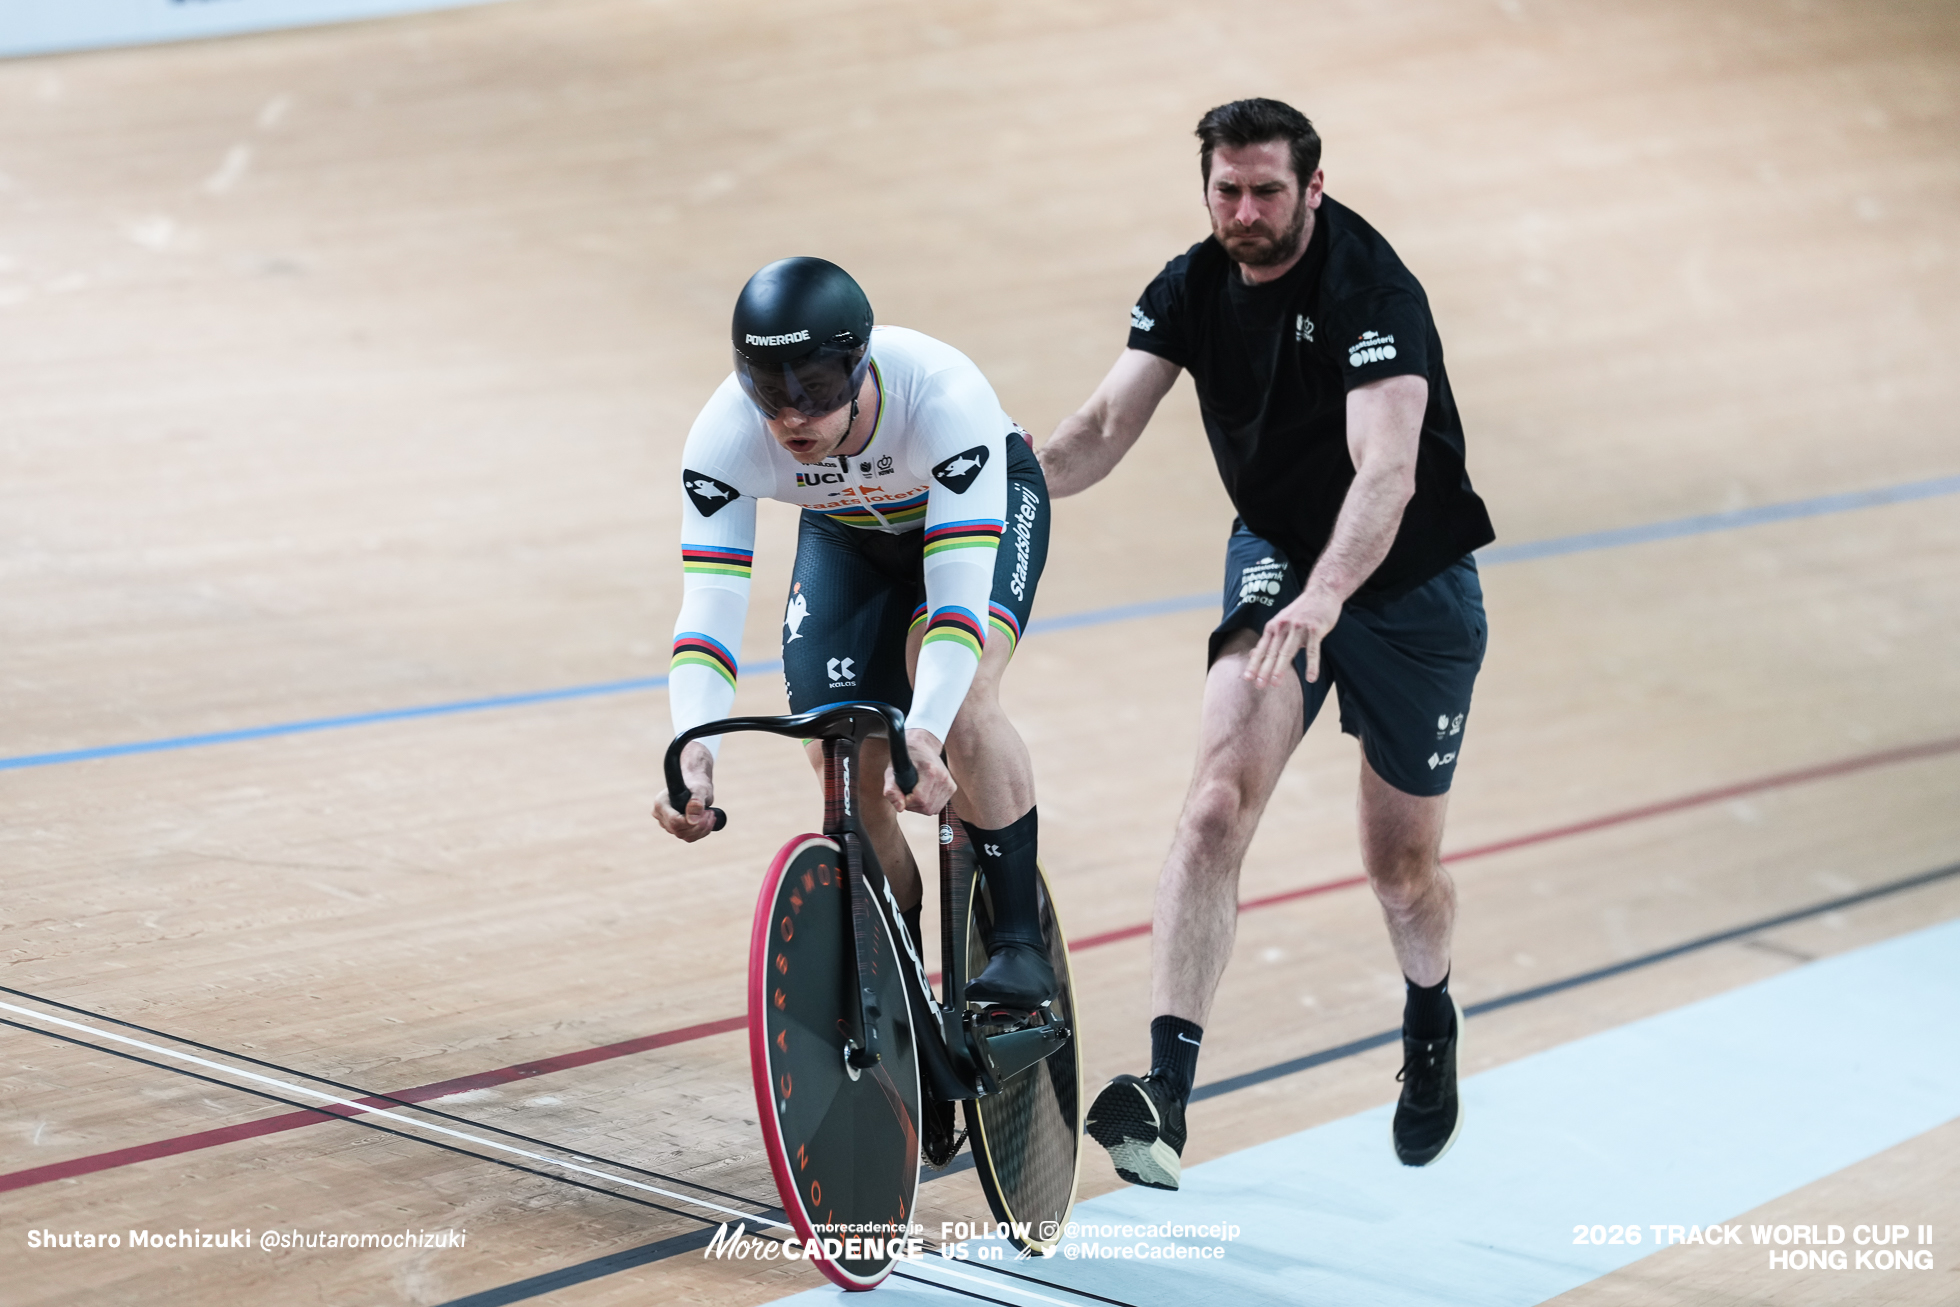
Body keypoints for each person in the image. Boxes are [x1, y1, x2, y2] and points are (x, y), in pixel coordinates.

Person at [1040, 99, 1495, 1186]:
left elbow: (1384, 469)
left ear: (1314, 188)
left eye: (1266, 192)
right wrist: (984, 480)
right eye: (1225, 191)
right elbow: (1098, 431)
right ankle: (1164, 1089)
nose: (1243, 212)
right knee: (1212, 803)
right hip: (1280, 560)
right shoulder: (1191, 286)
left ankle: (1429, 1017)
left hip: (1409, 586)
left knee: (1399, 869)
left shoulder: (1370, 289)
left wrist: (1332, 592)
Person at [654, 256, 1055, 1009]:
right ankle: (898, 988)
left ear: (861, 367)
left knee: (959, 698)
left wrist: (928, 729)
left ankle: (1018, 945)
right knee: (846, 766)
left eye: (818, 390)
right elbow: (708, 611)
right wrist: (696, 749)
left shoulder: (943, 396)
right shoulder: (723, 437)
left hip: (976, 504)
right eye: (771, 395)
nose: (794, 417)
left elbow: (958, 607)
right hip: (847, 534)